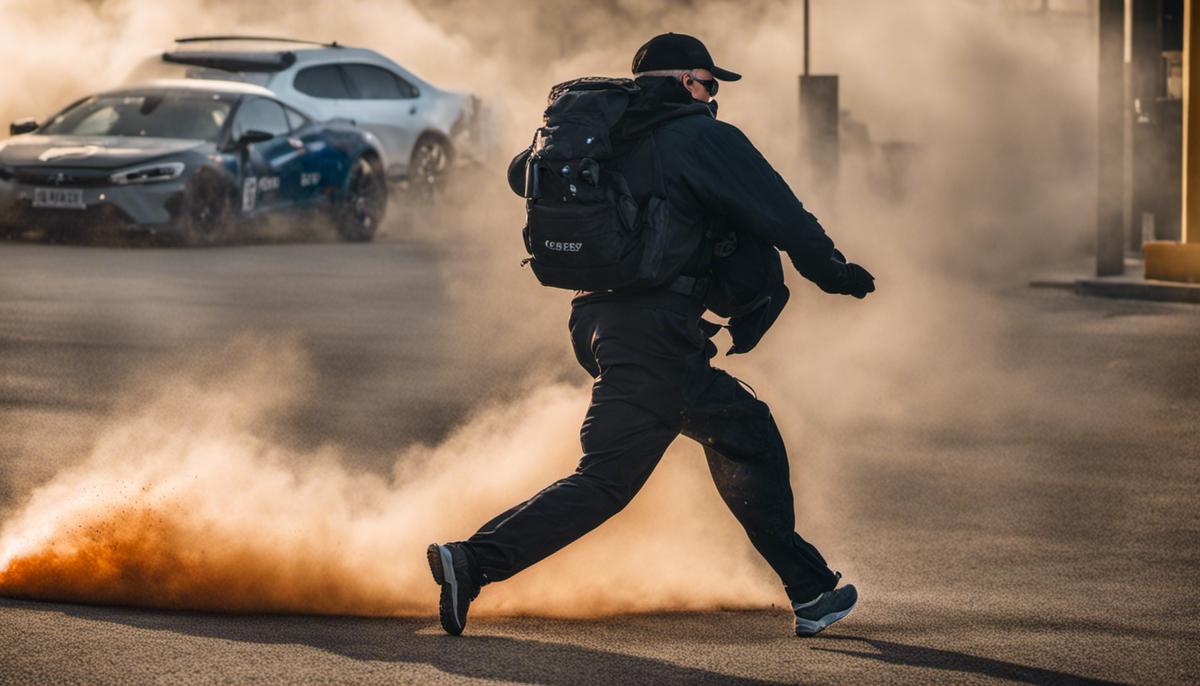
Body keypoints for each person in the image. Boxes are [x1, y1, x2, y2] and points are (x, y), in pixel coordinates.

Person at [428, 32, 874, 638]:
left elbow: (519, 175)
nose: (713, 94)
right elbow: (783, 213)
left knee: (746, 433)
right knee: (608, 479)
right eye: (708, 81)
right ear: (683, 80)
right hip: (654, 334)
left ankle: (811, 589)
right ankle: (473, 561)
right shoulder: (703, 138)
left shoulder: (600, 134)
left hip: (599, 323)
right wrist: (835, 273)